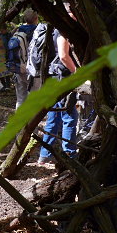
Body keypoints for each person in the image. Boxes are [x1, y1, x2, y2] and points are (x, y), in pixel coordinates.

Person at [38, 28, 78, 164]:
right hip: (62, 79)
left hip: (54, 77)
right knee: (70, 116)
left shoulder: (54, 30)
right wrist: (78, 72)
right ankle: (70, 155)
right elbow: (63, 56)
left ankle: (44, 155)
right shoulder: (62, 31)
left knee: (53, 117)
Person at [6, 9, 38, 109]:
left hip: (19, 67)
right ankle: (32, 123)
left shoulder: (18, 31)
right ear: (36, 18)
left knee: (20, 98)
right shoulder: (38, 31)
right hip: (32, 69)